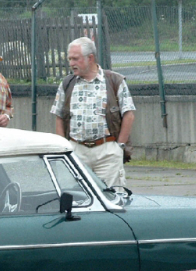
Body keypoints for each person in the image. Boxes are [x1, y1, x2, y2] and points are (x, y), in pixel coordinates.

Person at [51, 37, 135, 188]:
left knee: (111, 196)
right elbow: (59, 116)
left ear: (90, 58)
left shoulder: (114, 80)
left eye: (75, 59)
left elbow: (129, 114)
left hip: (107, 152)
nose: (71, 63)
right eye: (70, 59)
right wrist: (63, 149)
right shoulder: (67, 83)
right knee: (77, 195)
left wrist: (119, 147)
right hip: (76, 151)